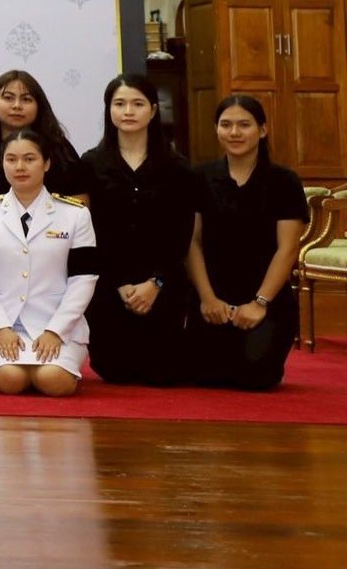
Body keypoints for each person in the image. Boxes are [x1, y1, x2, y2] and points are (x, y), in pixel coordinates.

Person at [79, 74, 196, 385]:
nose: (128, 111)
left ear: (153, 110)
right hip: (108, 284)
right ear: (109, 110)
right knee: (114, 371)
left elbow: (181, 235)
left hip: (162, 284)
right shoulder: (90, 164)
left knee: (161, 374)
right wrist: (118, 283)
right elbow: (87, 232)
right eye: (119, 104)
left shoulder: (177, 167)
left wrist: (155, 283)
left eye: (137, 104)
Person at [184, 95, 307, 391]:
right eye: (226, 125)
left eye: (244, 125)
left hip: (265, 299)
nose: (234, 132)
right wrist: (207, 298)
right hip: (213, 300)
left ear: (262, 130)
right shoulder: (199, 178)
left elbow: (288, 248)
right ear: (216, 129)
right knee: (205, 378)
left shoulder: (284, 181)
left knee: (255, 377)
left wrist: (259, 303)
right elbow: (191, 243)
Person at [0, 128, 98, 396]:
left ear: (46, 164)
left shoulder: (75, 214)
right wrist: (1, 328)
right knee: (9, 380)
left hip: (58, 323)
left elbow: (83, 279)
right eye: (11, 159)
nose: (20, 167)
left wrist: (56, 331)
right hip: (3, 324)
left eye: (29, 159)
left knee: (53, 381)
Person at [0, 70, 87, 198]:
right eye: (8, 98)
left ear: (39, 105)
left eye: (26, 99)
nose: (17, 106)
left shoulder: (58, 148)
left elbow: (79, 200)